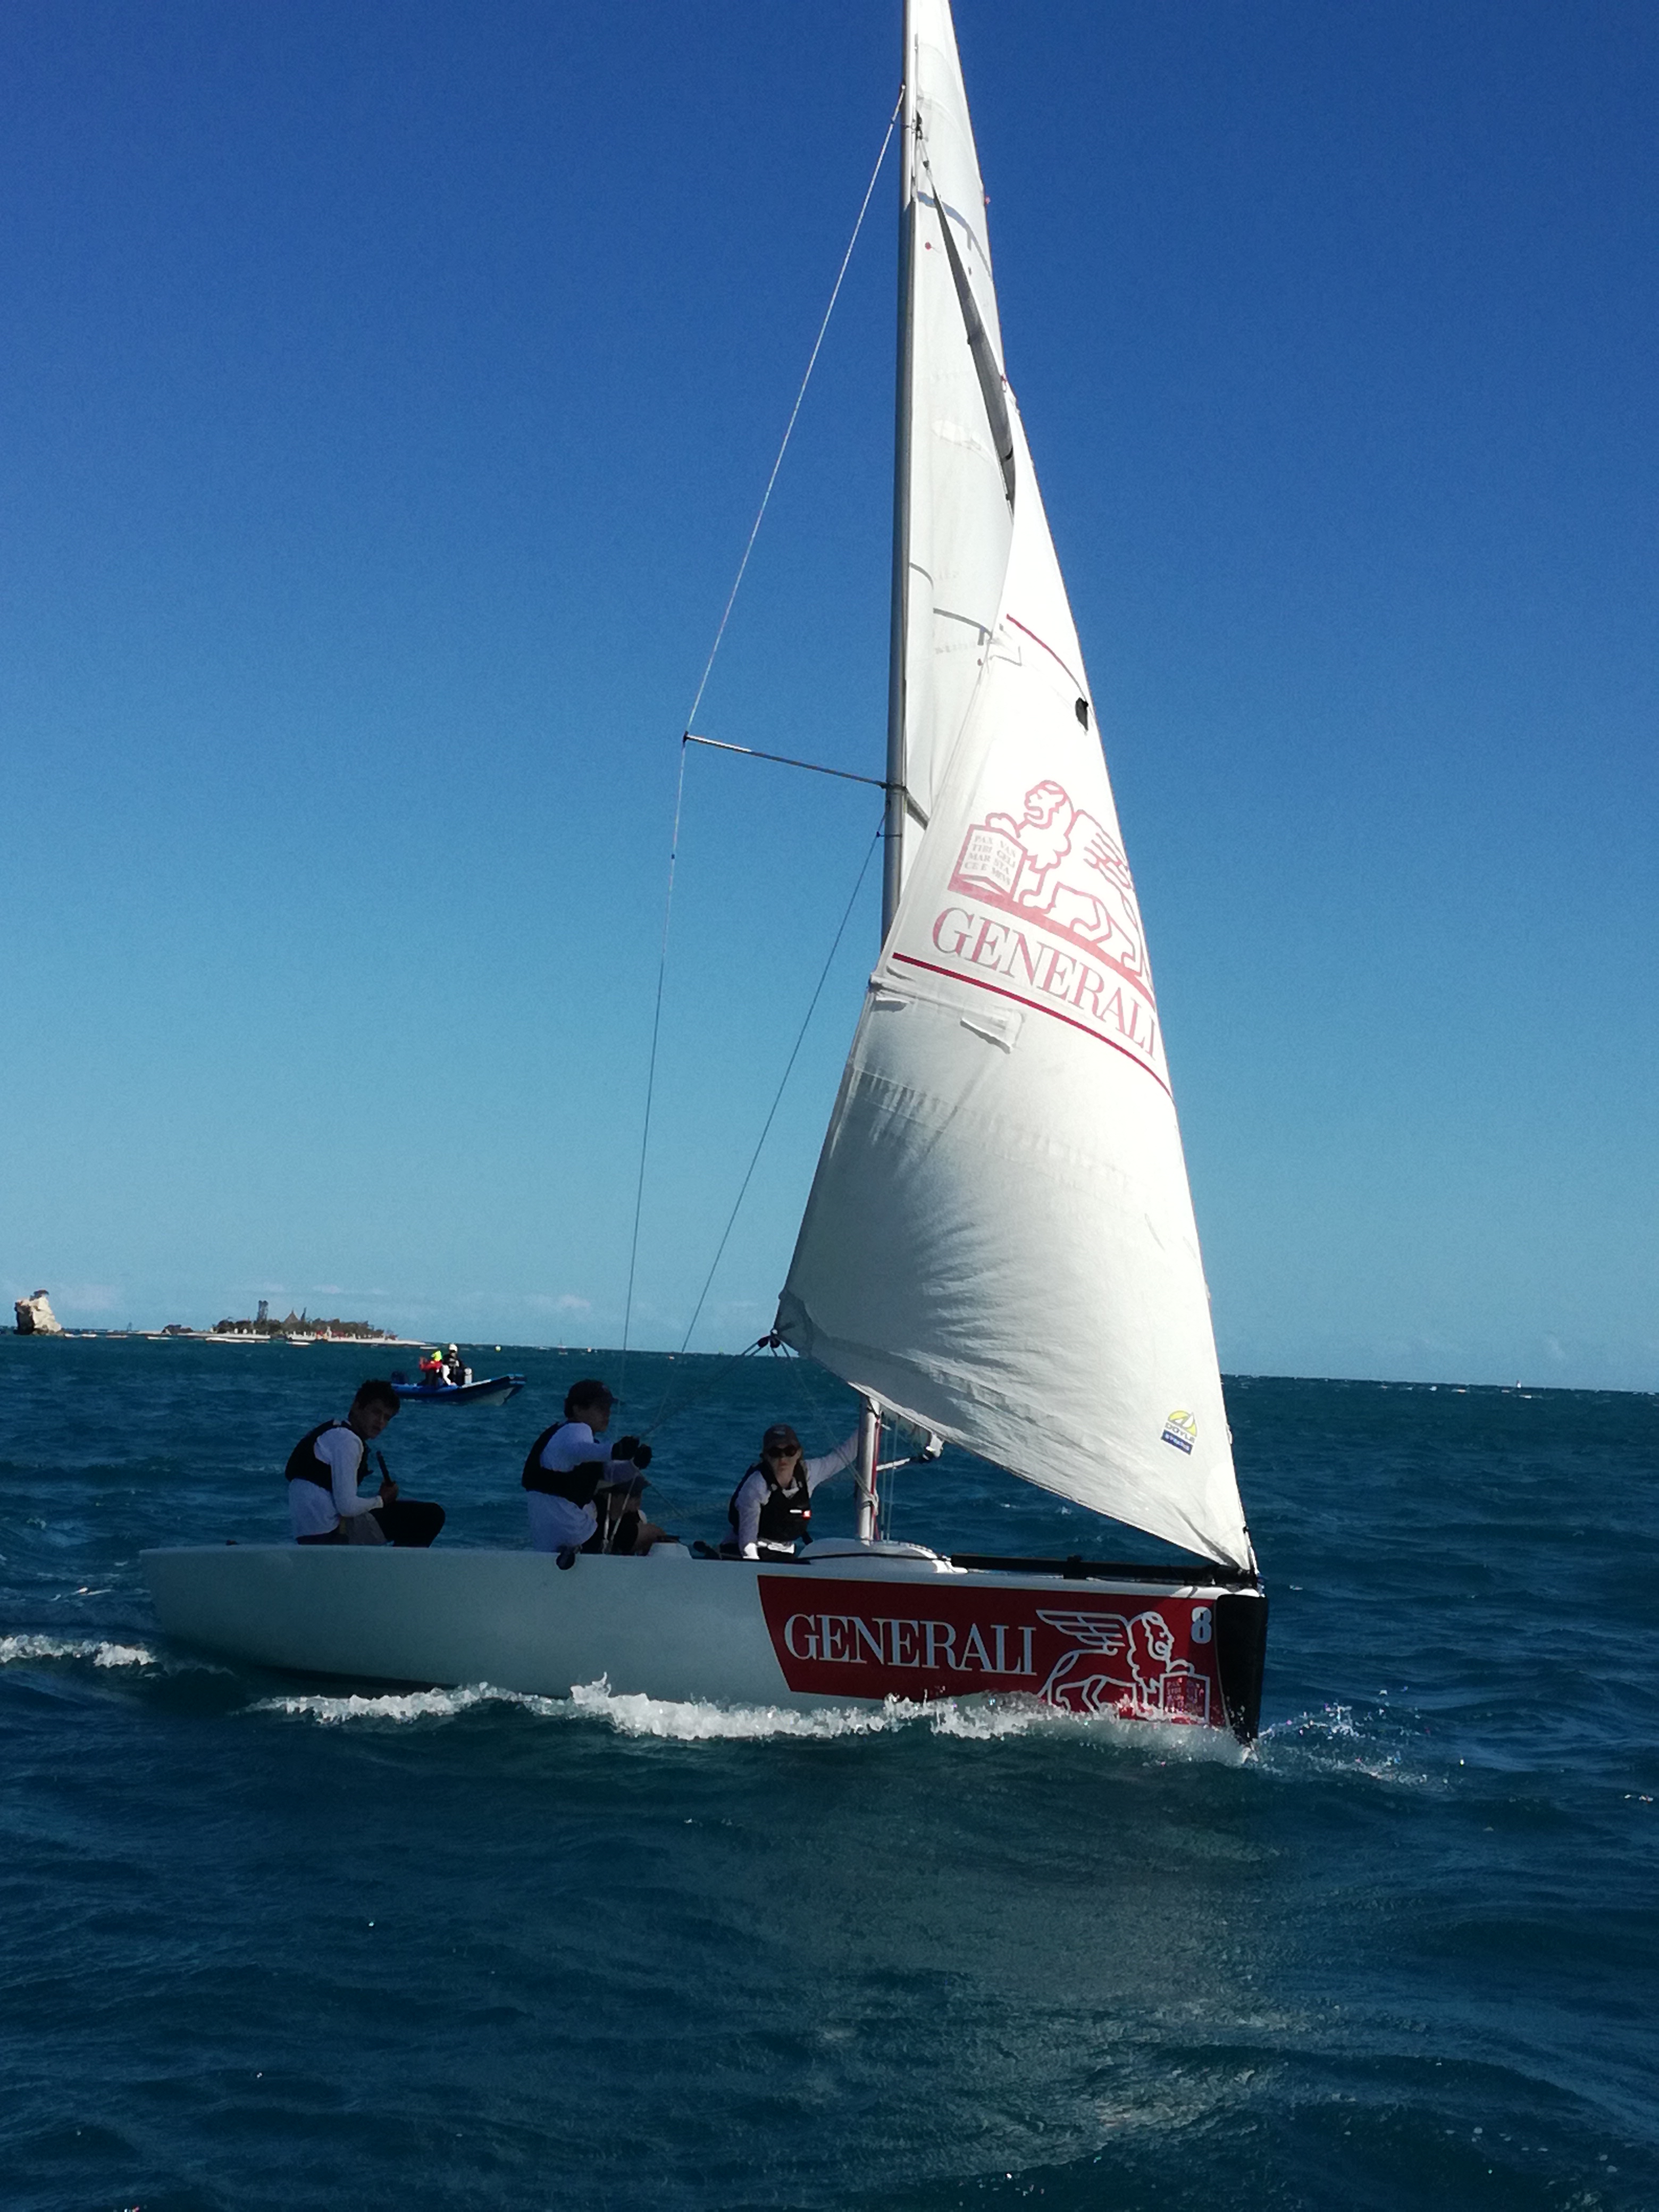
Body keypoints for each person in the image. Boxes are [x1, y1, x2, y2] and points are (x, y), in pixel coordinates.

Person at [284, 1379, 446, 1546]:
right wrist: (382, 1500)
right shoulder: (348, 1440)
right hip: (332, 1535)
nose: (381, 1422)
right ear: (357, 1406)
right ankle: (399, 1563)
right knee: (431, 1516)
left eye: (387, 1418)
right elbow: (347, 1507)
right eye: (376, 1412)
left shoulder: (332, 1432)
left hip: (310, 1536)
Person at [522, 1379, 669, 1561]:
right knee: (654, 1535)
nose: (608, 1413)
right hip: (575, 1535)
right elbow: (578, 1450)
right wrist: (615, 1451)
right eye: (601, 1407)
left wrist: (635, 1464)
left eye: (609, 1407)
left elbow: (610, 1473)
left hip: (552, 1540)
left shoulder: (561, 1435)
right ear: (578, 1409)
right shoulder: (576, 1430)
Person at [724, 1423, 858, 1560]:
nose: (783, 1458)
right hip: (747, 1551)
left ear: (799, 1453)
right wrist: (756, 1568)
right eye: (775, 1453)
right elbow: (747, 1545)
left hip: (784, 1553)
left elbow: (843, 1456)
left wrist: (867, 1429)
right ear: (766, 1457)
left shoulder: (808, 1473)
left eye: (790, 1451)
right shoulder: (756, 1486)